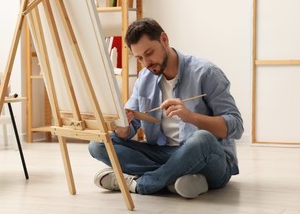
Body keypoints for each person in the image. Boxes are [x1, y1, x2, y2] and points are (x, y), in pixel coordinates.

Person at [88, 18, 243, 198]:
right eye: (139, 58)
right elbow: (129, 128)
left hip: (208, 157)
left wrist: (191, 117)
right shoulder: (144, 77)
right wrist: (123, 128)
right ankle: (177, 178)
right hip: (164, 153)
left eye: (149, 53)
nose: (146, 63)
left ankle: (141, 184)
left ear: (164, 39)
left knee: (202, 139)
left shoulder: (206, 72)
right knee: (98, 144)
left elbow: (236, 125)